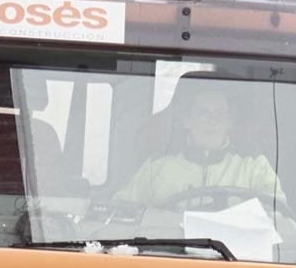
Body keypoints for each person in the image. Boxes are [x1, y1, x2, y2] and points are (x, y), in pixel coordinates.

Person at [118, 79, 282, 208]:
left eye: (219, 114)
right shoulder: (155, 170)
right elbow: (121, 213)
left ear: (229, 123)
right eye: (203, 112)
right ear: (187, 120)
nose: (211, 121)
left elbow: (278, 218)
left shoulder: (255, 169)